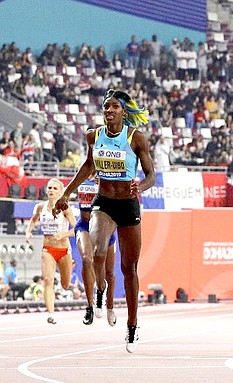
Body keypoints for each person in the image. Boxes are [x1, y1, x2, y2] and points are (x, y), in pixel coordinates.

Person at [54, 89, 156, 353]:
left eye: (114, 107)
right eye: (106, 107)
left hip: (128, 204)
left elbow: (151, 175)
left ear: (124, 111)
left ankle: (132, 326)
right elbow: (88, 166)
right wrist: (66, 193)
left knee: (128, 268)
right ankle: (101, 290)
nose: (109, 111)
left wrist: (141, 187)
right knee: (98, 251)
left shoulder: (136, 138)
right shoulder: (94, 135)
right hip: (105, 202)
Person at [25, 178, 76, 324]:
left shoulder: (65, 208)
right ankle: (51, 314)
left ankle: (64, 288)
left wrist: (63, 234)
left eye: (54, 188)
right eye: (49, 188)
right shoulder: (40, 207)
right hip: (47, 249)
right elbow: (33, 220)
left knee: (66, 285)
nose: (51, 191)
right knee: (48, 280)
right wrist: (28, 232)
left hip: (64, 249)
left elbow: (76, 228)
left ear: (61, 192)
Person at [75, 172, 118, 326]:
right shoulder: (85, 181)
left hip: (107, 228)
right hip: (86, 226)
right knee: (87, 259)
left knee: (109, 272)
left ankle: (109, 305)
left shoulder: (113, 182)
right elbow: (86, 216)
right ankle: (89, 306)